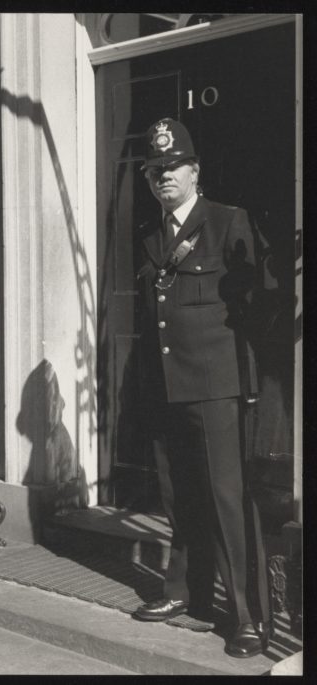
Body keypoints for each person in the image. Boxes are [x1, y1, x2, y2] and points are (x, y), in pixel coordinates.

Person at [130, 118, 270, 658]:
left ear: (194, 171)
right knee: (179, 496)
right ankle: (183, 592)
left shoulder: (228, 223)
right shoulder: (150, 236)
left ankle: (248, 616)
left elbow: (255, 312)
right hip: (166, 387)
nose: (163, 177)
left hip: (215, 386)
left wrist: (251, 384)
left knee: (227, 500)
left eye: (172, 167)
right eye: (153, 171)